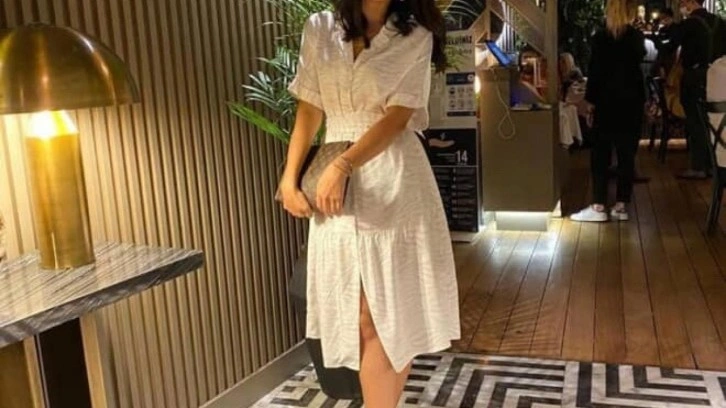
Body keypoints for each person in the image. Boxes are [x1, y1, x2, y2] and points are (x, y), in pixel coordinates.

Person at [277, 1, 461, 406]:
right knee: (358, 316)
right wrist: (289, 179)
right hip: (334, 191)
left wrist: (344, 164)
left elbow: (398, 116)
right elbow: (309, 107)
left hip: (392, 179)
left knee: (386, 313)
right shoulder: (319, 27)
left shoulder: (416, 34)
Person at [571, 0, 646, 222]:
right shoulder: (636, 38)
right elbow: (638, 67)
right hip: (631, 101)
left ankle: (599, 205)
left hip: (605, 101)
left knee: (601, 153)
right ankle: (621, 205)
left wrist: (590, 101)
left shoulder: (600, 38)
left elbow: (595, 73)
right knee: (626, 154)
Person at [671, 0, 726, 179]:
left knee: (695, 121)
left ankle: (698, 166)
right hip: (717, 78)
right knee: (714, 120)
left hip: (693, 77)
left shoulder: (688, 24)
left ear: (690, 2)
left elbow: (669, 46)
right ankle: (714, 163)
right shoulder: (720, 22)